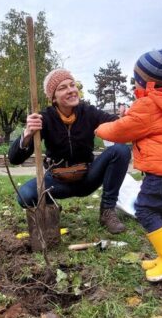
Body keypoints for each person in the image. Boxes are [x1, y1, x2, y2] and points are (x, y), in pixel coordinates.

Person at [96, 49, 162, 282]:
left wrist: (99, 128)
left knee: (145, 210)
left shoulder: (148, 105)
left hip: (160, 173)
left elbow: (121, 130)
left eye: (136, 78)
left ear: (146, 82)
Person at [8, 68, 131, 234]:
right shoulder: (44, 119)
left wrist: (126, 119)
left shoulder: (89, 112)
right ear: (53, 98)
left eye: (72, 85)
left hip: (87, 177)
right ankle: (51, 208)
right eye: (63, 87)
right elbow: (15, 159)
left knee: (121, 150)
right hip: (57, 181)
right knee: (26, 195)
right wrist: (27, 134)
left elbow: (118, 125)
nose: (71, 90)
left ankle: (107, 211)